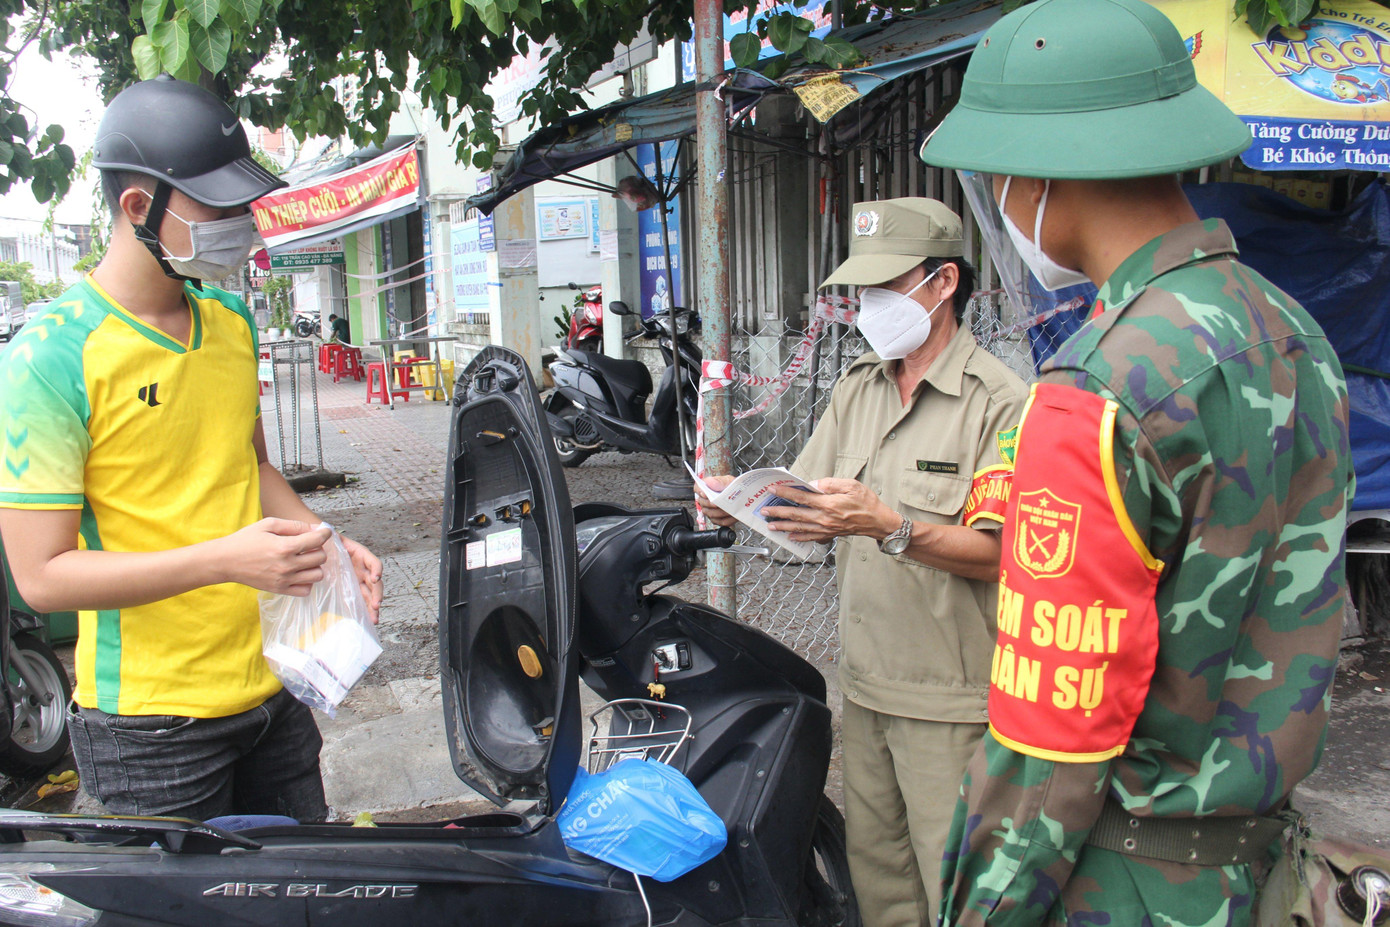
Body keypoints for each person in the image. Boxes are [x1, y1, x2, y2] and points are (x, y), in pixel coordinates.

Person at [919, 0, 1354, 923]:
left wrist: (978, 907)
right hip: (1261, 870)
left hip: (1119, 882)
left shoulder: (1098, 384)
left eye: (996, 175)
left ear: (1042, 175)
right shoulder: (1291, 331)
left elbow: (1052, 733)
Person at [0, 75, 384, 823]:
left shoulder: (232, 323)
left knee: (299, 900)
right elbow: (41, 575)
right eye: (219, 204)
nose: (242, 223)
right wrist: (226, 560)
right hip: (151, 726)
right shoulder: (53, 355)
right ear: (139, 207)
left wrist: (324, 540)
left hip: (274, 690)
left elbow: (253, 467)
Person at [697, 198, 1027, 926]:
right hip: (868, 687)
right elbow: (809, 514)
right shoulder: (859, 388)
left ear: (943, 282)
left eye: (886, 286)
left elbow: (1007, 554)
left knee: (962, 895)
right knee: (882, 891)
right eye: (863, 290)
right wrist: (743, 504)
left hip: (954, 700)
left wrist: (891, 524)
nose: (869, 306)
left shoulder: (999, 403)